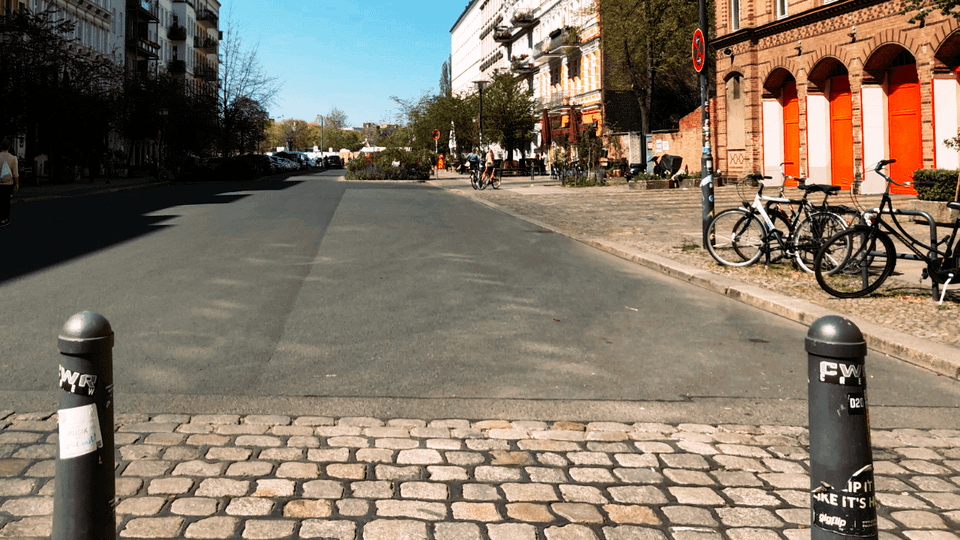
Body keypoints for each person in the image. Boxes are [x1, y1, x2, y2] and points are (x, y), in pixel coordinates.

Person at [0, 139, 19, 227]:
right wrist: (17, 184)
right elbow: (15, 174)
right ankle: (5, 219)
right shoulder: (13, 158)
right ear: (9, 147)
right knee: (6, 201)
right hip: (8, 184)